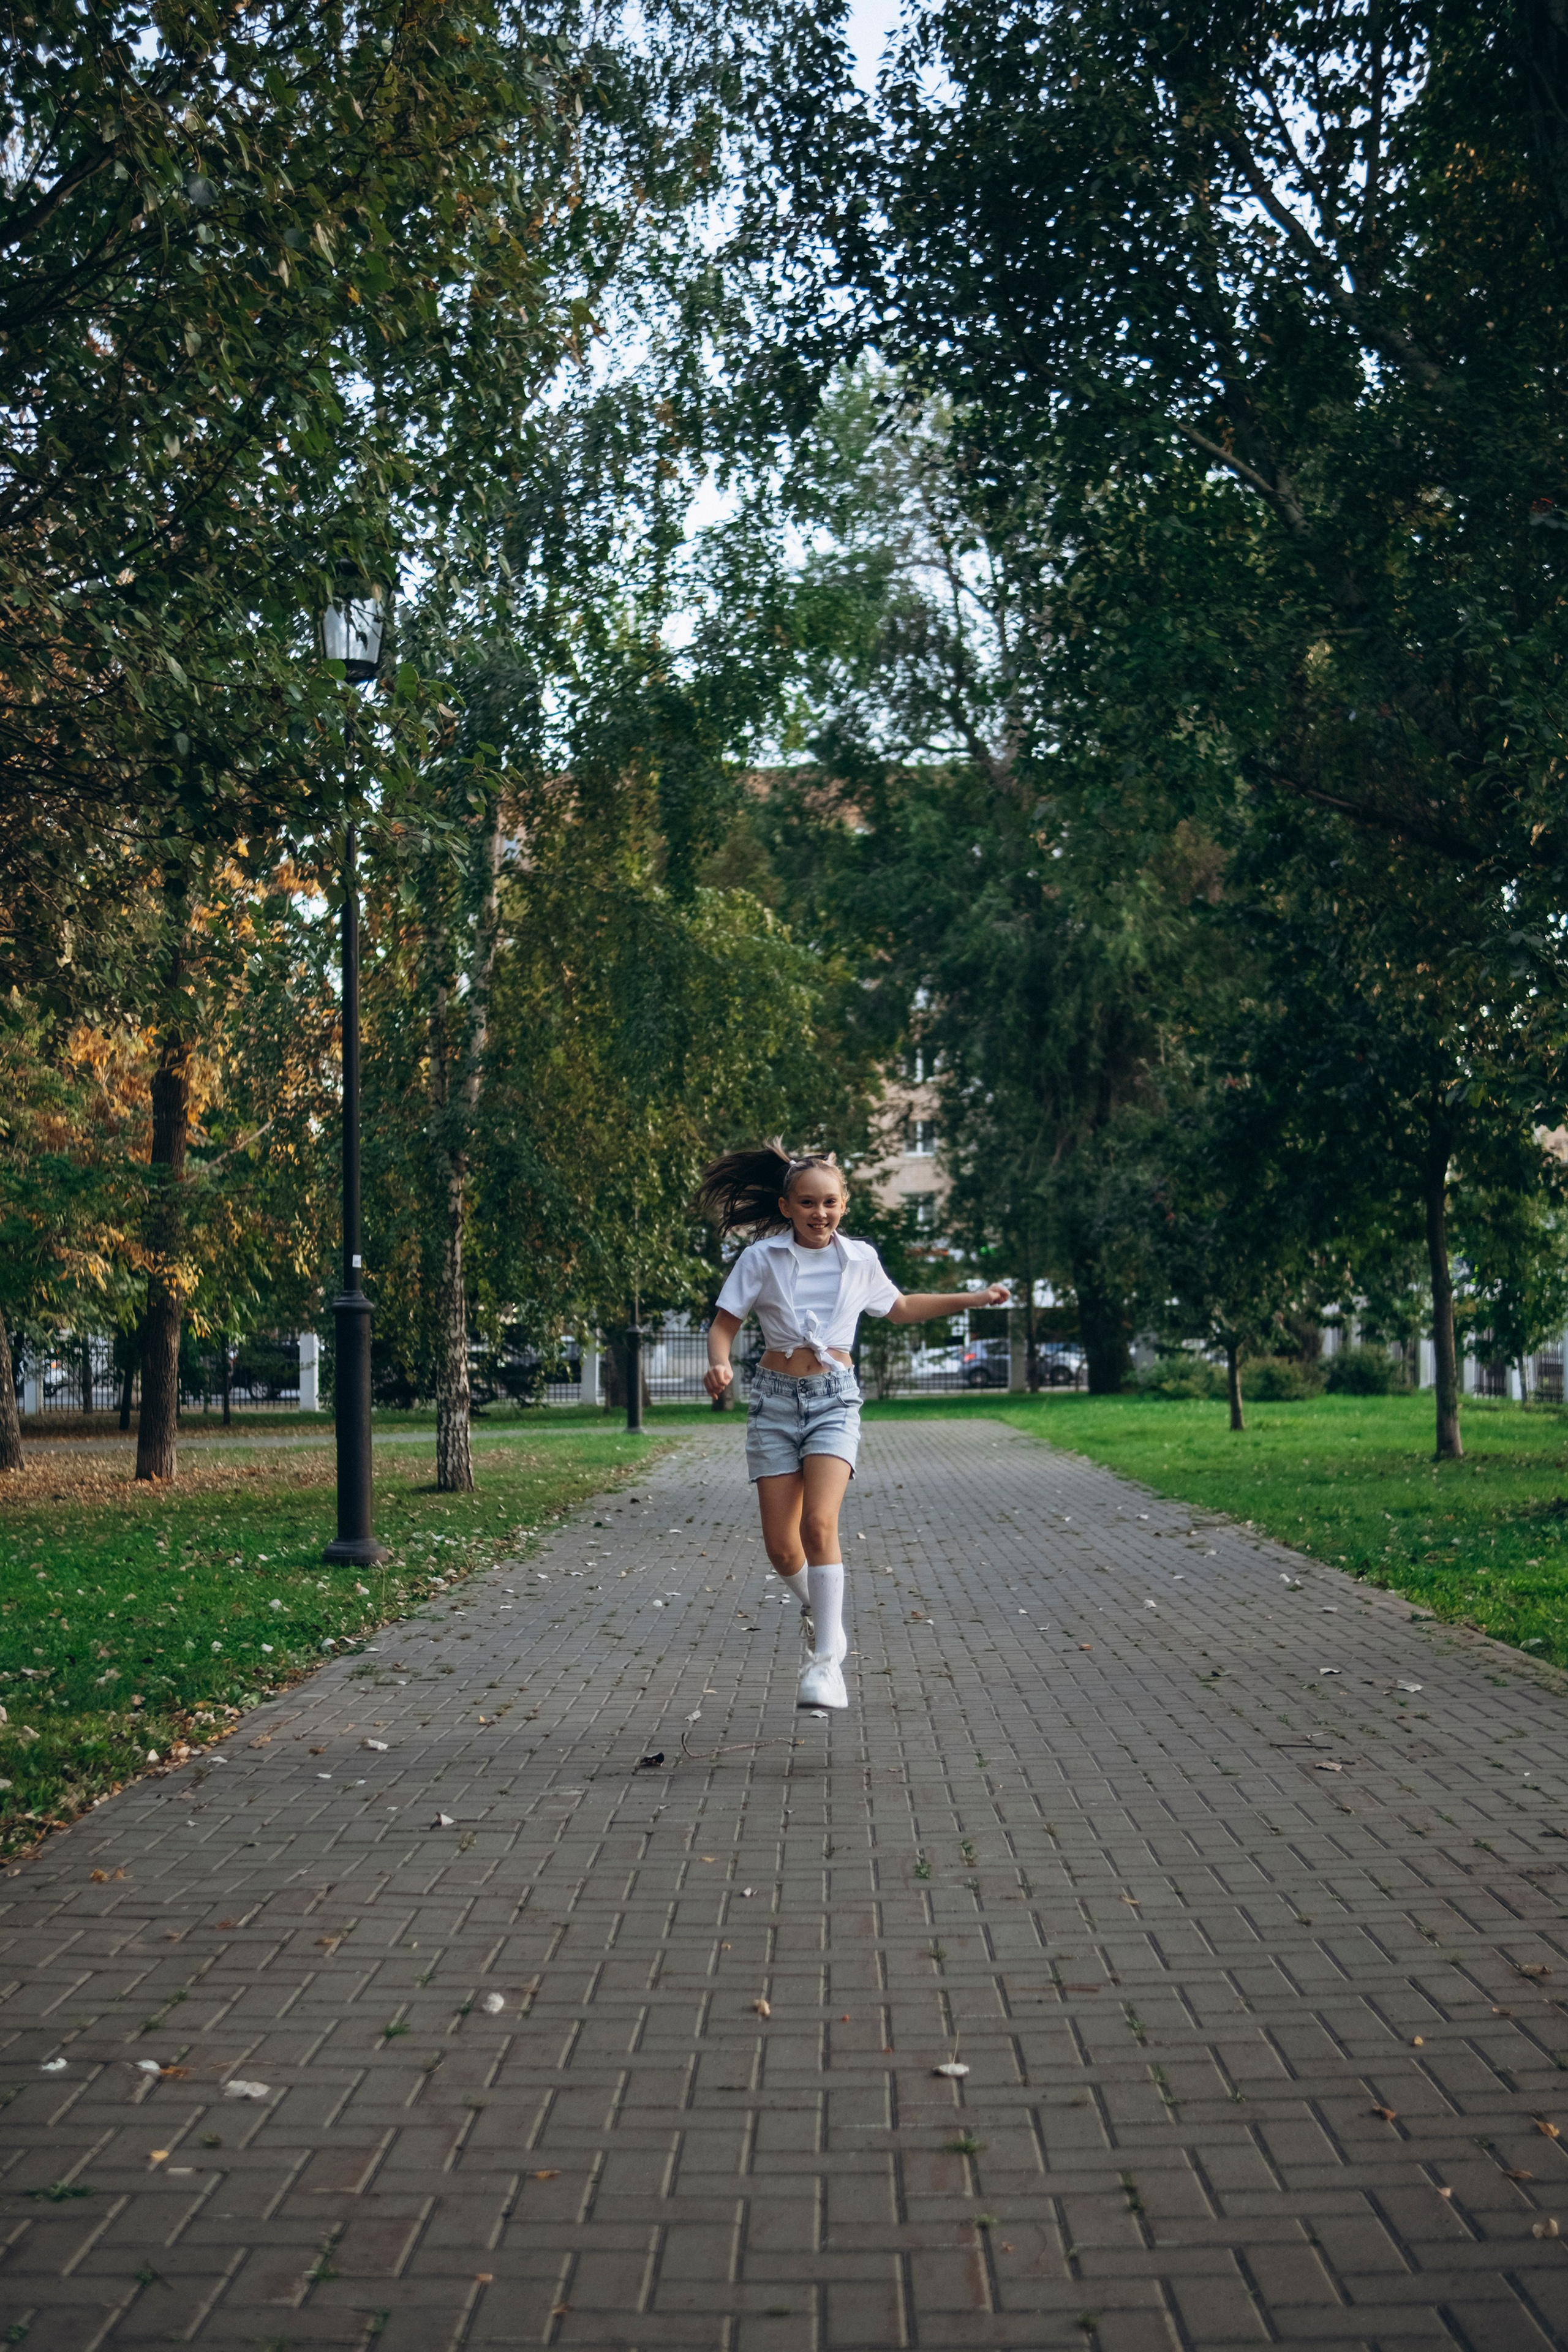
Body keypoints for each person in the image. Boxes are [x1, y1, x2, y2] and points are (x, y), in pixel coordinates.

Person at [696, 1140, 1009, 1711]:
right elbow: (724, 1325)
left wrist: (975, 1298)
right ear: (787, 1206)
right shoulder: (760, 1260)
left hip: (834, 1400)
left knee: (820, 1525)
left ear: (845, 1205)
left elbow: (902, 1307)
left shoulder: (860, 1259)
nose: (820, 1213)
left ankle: (825, 1664)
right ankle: (825, 1614)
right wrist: (719, 1362)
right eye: (809, 1203)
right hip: (773, 1402)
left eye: (831, 1203)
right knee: (781, 1549)